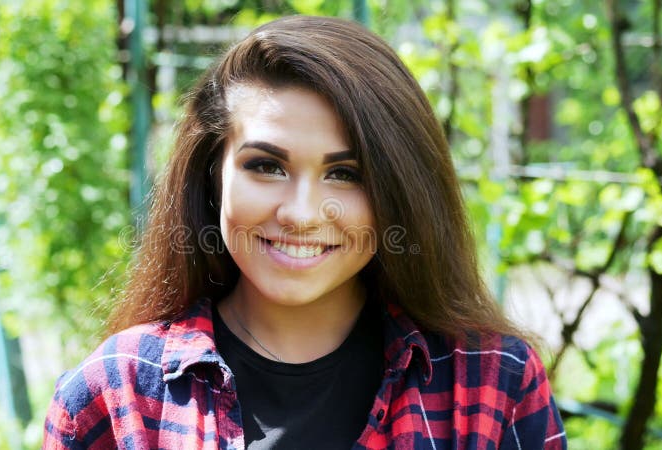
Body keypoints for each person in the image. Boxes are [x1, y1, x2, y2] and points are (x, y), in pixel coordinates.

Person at [43, 15, 566, 449]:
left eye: (346, 173)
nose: (301, 213)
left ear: (400, 192)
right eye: (266, 166)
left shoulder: (494, 383)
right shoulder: (118, 392)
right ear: (212, 175)